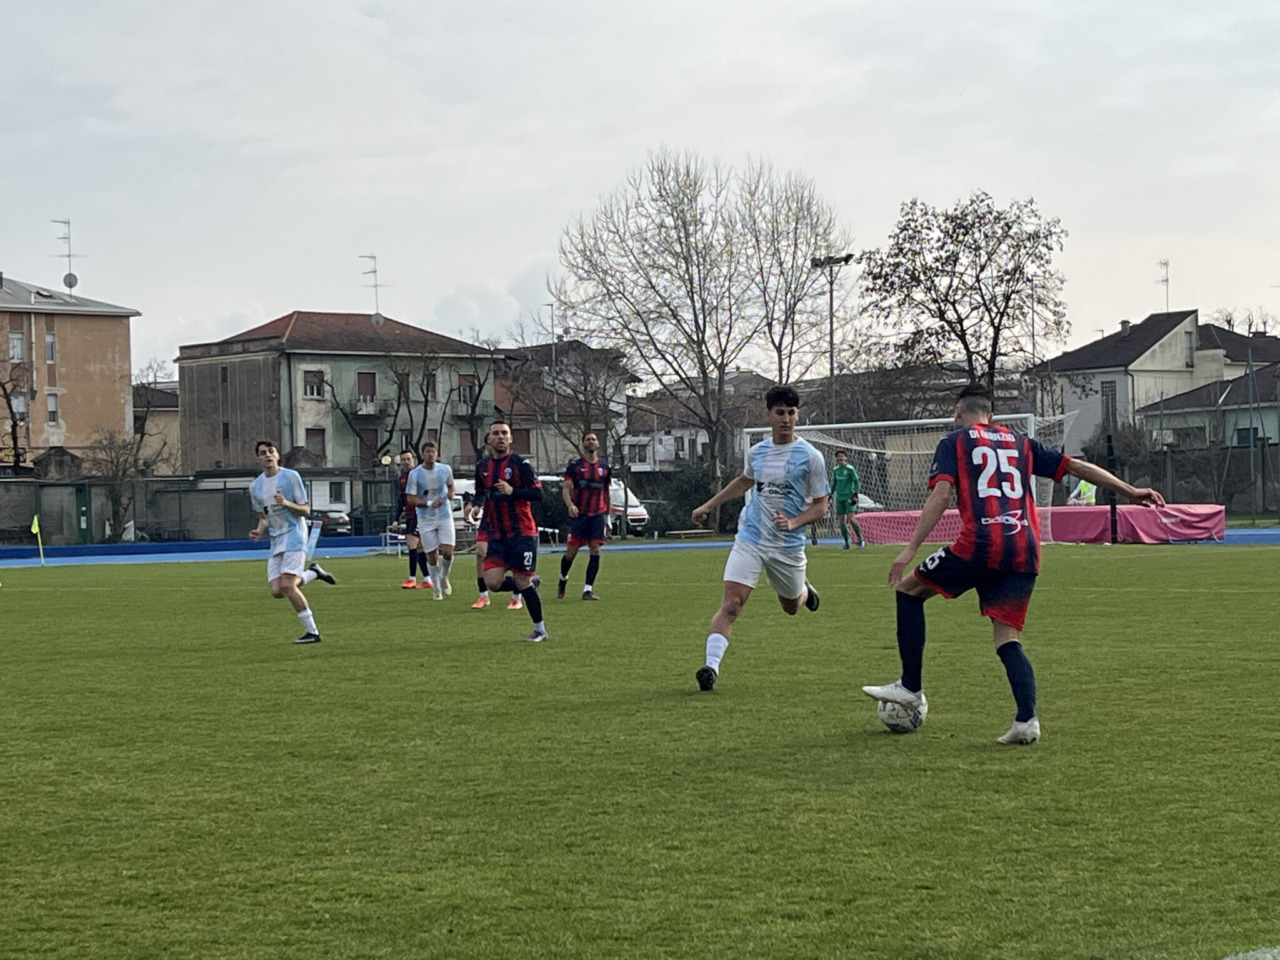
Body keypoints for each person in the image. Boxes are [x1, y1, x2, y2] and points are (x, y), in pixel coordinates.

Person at [861, 384, 1165, 744]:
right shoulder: (1021, 443)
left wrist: (910, 548)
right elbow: (1077, 467)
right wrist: (1131, 491)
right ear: (993, 416)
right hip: (1025, 548)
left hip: (982, 543)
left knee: (909, 591)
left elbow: (941, 494)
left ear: (959, 413)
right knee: (1007, 637)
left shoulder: (955, 441)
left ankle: (910, 687)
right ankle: (1026, 720)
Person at [690, 384, 828, 691]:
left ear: (797, 415)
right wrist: (709, 505)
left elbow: (821, 507)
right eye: (780, 413)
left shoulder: (811, 457)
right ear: (769, 414)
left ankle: (804, 591)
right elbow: (744, 481)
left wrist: (793, 522)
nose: (786, 419)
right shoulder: (758, 452)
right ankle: (710, 669)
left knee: (790, 607)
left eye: (791, 413)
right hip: (751, 539)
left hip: (787, 547)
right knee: (732, 605)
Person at [247, 439, 335, 644]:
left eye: (271, 451)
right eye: (262, 453)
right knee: (277, 591)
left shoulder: (290, 477)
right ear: (258, 459)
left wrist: (285, 503)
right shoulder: (255, 487)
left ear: (277, 455)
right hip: (276, 539)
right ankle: (314, 573)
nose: (267, 455)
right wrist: (258, 531)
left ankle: (313, 632)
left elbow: (305, 510)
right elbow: (263, 517)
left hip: (295, 533)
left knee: (287, 585)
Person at [472, 419, 549, 641]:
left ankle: (540, 630)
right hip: (497, 533)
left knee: (522, 581)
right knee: (492, 582)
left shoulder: (521, 465)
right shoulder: (482, 467)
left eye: (504, 433)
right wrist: (475, 506)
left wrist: (513, 490)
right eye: (496, 433)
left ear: (511, 438)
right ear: (489, 439)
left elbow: (538, 494)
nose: (500, 437)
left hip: (521, 533)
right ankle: (530, 584)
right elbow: (481, 492)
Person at [558, 431, 612, 600]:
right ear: (583, 444)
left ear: (597, 444)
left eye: (594, 439)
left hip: (597, 515)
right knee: (571, 552)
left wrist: (608, 517)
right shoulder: (575, 466)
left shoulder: (604, 468)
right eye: (588, 439)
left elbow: (606, 492)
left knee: (595, 549)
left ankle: (587, 590)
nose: (591, 441)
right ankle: (563, 579)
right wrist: (570, 505)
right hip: (580, 515)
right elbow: (566, 488)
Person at [405, 439, 456, 600]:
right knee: (432, 555)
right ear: (422, 455)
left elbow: (450, 486)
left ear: (437, 453)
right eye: (427, 451)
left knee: (448, 551)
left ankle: (444, 577)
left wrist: (450, 494)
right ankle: (435, 587)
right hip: (425, 518)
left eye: (433, 451)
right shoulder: (415, 474)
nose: (431, 454)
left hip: (444, 515)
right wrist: (428, 503)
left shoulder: (445, 469)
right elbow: (410, 498)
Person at [395, 449, 432, 590]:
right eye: (403, 460)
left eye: (408, 459)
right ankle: (428, 579)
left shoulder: (421, 475)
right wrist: (396, 518)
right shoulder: (403, 478)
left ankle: (412, 578)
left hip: (420, 514)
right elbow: (401, 500)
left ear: (414, 459)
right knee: (419, 547)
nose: (406, 462)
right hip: (410, 515)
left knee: (411, 543)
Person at [832, 449, 866, 549]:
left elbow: (857, 482)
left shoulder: (850, 469)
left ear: (846, 458)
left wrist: (855, 494)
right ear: (836, 459)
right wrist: (830, 494)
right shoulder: (835, 470)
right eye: (839, 456)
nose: (841, 458)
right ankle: (847, 543)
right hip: (840, 498)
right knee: (842, 521)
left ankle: (860, 539)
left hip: (850, 497)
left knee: (851, 519)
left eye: (842, 456)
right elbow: (834, 483)